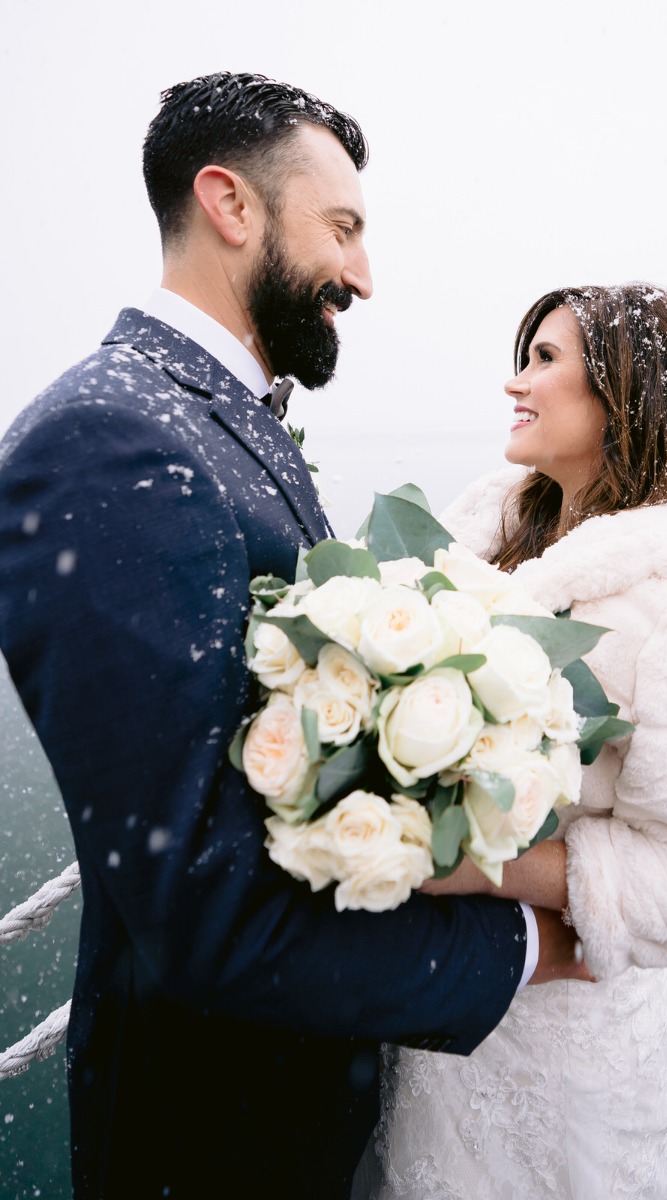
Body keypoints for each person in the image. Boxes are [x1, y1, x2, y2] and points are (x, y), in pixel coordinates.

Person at [0, 73, 587, 1200]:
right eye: (344, 230)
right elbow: (207, 916)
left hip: (285, 1104)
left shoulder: (202, 420)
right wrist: (528, 948)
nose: (363, 276)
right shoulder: (109, 442)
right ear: (230, 204)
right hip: (210, 1135)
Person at [367, 284, 667, 1198]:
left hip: (566, 1047)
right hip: (446, 1005)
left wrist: (474, 865)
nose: (514, 382)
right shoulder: (485, 530)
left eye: (545, 360)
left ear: (625, 393)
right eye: (524, 356)